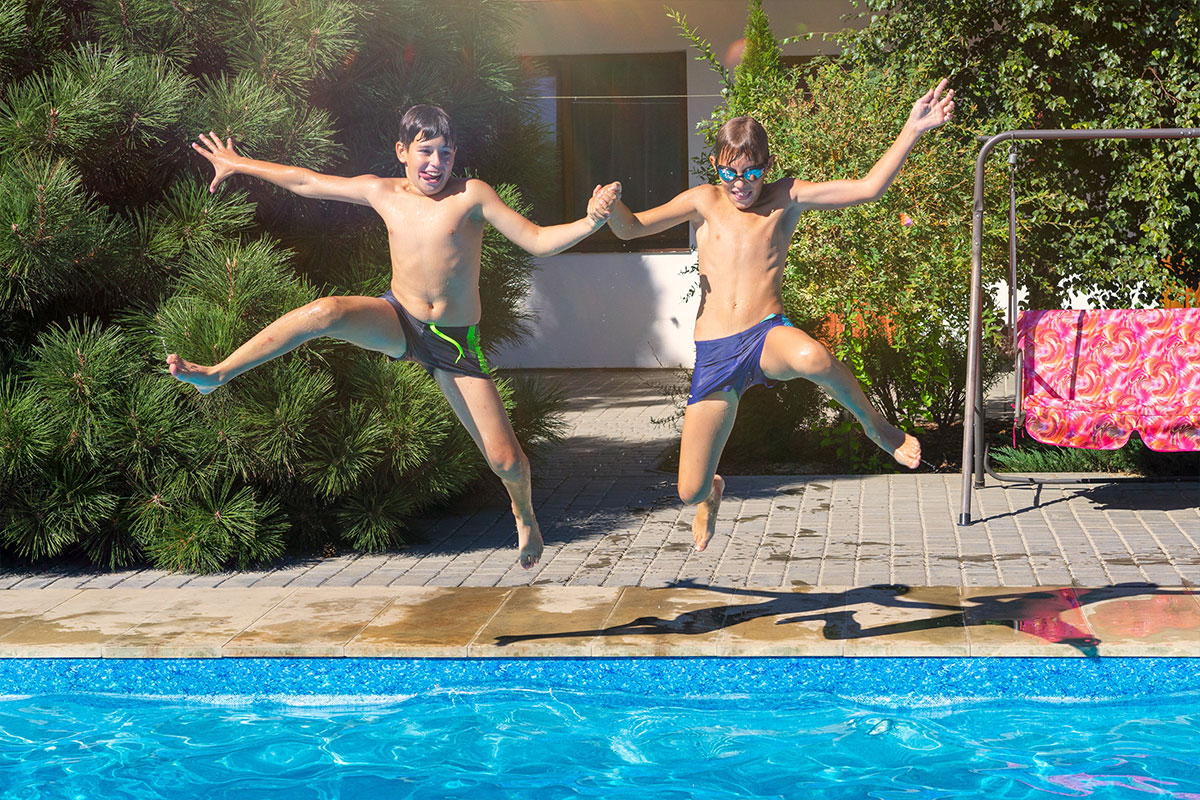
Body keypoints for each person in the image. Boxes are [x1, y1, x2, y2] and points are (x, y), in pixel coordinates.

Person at [167, 104, 621, 569]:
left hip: (455, 343)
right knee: (326, 311)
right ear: (402, 152)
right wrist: (237, 162)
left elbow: (538, 239)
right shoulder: (382, 192)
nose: (436, 163)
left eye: (445, 153)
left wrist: (591, 221)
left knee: (507, 462)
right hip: (399, 318)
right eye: (425, 151)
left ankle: (523, 514)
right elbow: (305, 180)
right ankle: (218, 373)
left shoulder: (472, 196)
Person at [606, 80, 955, 551]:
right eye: (731, 174)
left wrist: (913, 129)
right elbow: (630, 228)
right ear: (716, 166)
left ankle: (879, 428)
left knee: (812, 356)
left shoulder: (787, 197)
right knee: (687, 490)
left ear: (767, 167)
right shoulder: (703, 201)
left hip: (765, 336)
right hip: (714, 355)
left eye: (751, 174)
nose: (741, 185)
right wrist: (605, 209)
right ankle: (711, 493)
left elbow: (869, 188)